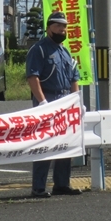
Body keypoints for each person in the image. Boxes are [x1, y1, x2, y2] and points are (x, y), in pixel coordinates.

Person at [25, 11, 83, 198]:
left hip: (66, 102)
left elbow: (74, 77)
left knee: (66, 144)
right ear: (49, 27)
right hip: (47, 101)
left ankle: (62, 184)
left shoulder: (65, 51)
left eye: (64, 26)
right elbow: (33, 77)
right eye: (58, 26)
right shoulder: (39, 49)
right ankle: (38, 187)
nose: (62, 29)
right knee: (45, 145)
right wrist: (42, 102)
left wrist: (76, 101)